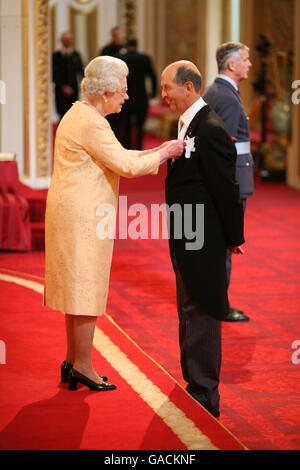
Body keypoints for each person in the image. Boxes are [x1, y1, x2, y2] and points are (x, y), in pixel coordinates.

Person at [44, 56, 184, 392]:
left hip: (71, 210)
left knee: (76, 289)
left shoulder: (80, 113)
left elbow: (117, 153)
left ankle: (73, 360)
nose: (126, 96)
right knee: (86, 289)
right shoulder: (91, 122)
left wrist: (159, 148)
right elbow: (124, 164)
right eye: (122, 90)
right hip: (82, 215)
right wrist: (166, 154)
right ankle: (83, 365)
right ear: (105, 91)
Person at [161, 61, 245, 417]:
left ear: (190, 88)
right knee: (187, 307)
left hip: (202, 235)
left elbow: (226, 188)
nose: (163, 95)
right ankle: (194, 382)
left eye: (168, 88)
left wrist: (232, 235)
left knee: (203, 308)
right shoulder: (185, 123)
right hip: (185, 231)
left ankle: (206, 393)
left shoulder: (209, 127)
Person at [203, 42, 253, 322]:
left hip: (228, 178)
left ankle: (217, 302)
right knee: (227, 243)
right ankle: (220, 305)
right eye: (245, 60)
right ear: (231, 65)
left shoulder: (217, 92)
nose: (249, 64)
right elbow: (226, 148)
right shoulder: (227, 97)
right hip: (232, 179)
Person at [120, 38, 157, 150]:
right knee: (140, 126)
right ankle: (139, 148)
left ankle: (127, 149)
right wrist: (153, 94)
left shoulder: (122, 58)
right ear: (137, 45)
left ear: (127, 45)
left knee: (126, 126)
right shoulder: (144, 58)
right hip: (141, 97)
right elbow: (153, 77)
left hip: (125, 97)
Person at [99, 27, 126, 139]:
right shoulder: (106, 49)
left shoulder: (124, 49)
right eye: (115, 35)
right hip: (109, 88)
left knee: (121, 117)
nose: (116, 37)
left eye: (118, 35)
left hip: (120, 86)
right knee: (110, 115)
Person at [52, 31, 84, 119]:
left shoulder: (76, 55)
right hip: (60, 91)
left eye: (69, 39)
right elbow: (53, 74)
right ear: (62, 41)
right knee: (62, 116)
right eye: (65, 39)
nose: (68, 41)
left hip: (73, 90)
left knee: (74, 114)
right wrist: (63, 87)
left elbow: (81, 72)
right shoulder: (56, 56)